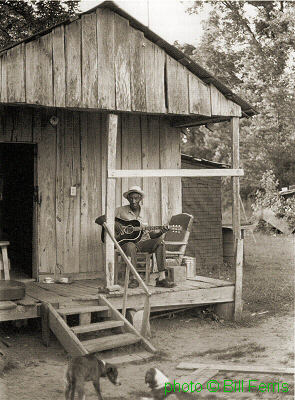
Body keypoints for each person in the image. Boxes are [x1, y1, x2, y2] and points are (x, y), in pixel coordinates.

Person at [96, 186, 175, 289]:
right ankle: (134, 279)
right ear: (128, 199)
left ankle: (161, 278)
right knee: (130, 246)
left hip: (143, 242)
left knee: (159, 242)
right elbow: (99, 219)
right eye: (131, 198)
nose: (133, 201)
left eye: (136, 198)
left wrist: (161, 232)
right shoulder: (120, 211)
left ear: (140, 199)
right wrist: (115, 223)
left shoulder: (147, 212)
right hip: (127, 243)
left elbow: (151, 235)